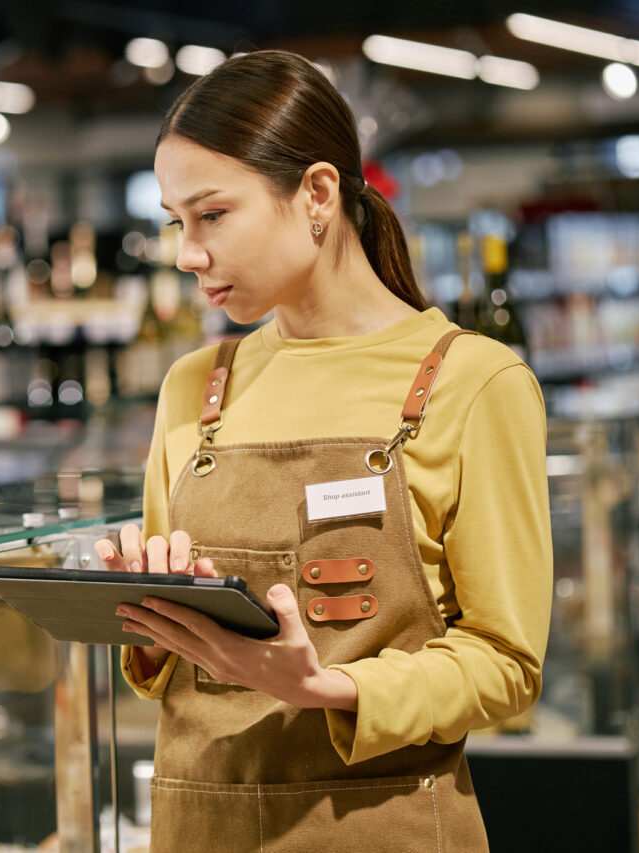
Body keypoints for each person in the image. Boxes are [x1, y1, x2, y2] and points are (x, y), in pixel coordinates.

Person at [92, 49, 552, 852]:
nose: (187, 253)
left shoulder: (473, 382)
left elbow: (506, 663)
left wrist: (327, 685)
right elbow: (166, 675)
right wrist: (151, 617)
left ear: (317, 194)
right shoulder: (193, 386)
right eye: (175, 222)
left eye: (212, 214)